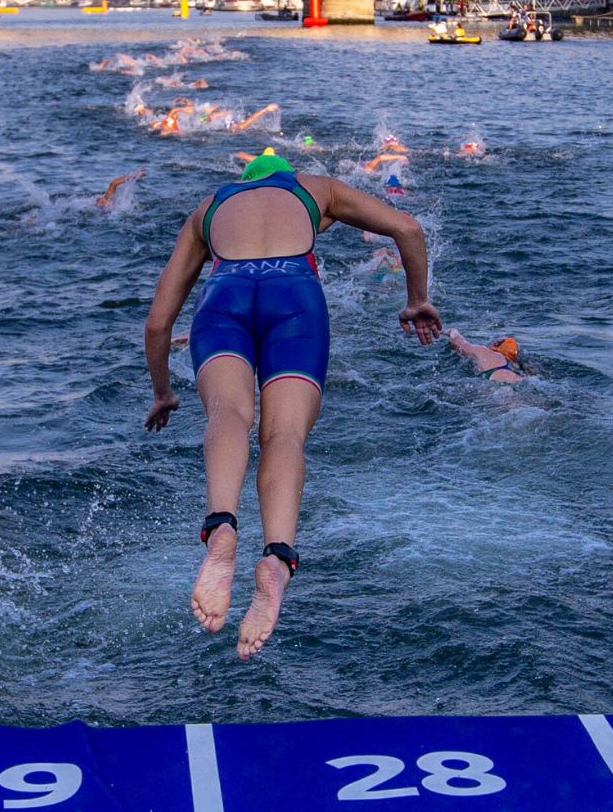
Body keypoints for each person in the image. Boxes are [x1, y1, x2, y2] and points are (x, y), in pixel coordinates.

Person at [142, 148, 441, 659]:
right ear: (284, 178)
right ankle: (277, 558)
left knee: (228, 415)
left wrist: (163, 392)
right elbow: (409, 229)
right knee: (283, 434)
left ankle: (220, 528)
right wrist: (415, 299)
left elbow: (156, 324)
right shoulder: (314, 188)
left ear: (244, 182)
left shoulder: (209, 208)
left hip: (225, 298)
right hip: (294, 299)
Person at [446, 328, 527, 383]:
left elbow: (459, 343)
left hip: (497, 392)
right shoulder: (518, 371)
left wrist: (452, 331)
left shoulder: (486, 352)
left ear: (496, 345)